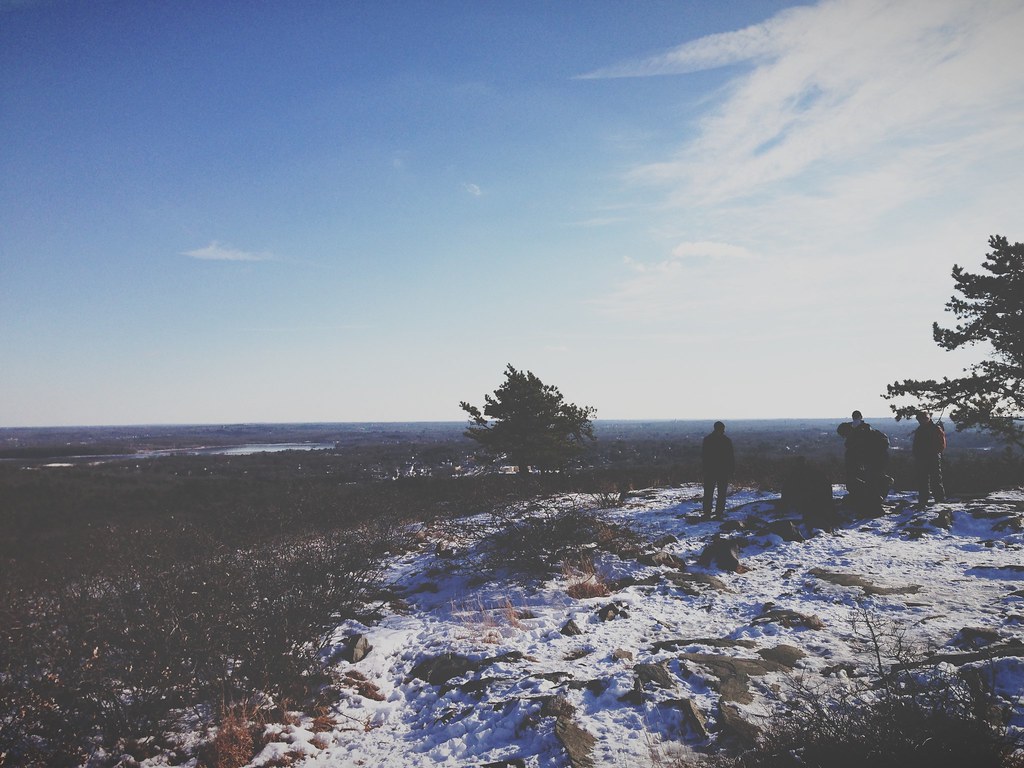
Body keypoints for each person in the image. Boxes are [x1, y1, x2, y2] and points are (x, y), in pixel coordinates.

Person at [836, 410, 891, 515]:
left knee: (870, 481)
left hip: (872, 460)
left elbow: (860, 452)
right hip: (873, 460)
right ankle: (871, 500)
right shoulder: (863, 431)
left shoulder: (859, 434)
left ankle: (873, 504)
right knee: (867, 481)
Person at [780, 456, 837, 533]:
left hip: (809, 499)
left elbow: (787, 488)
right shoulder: (814, 472)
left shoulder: (796, 473)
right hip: (815, 499)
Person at [912, 411, 946, 507]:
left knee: (936, 479)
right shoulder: (920, 429)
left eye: (922, 419)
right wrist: (917, 454)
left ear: (928, 418)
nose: (921, 421)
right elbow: (916, 444)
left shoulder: (936, 429)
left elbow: (941, 445)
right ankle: (923, 499)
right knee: (923, 479)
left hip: (933, 457)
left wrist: (932, 452)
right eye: (920, 420)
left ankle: (939, 499)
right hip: (922, 458)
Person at [702, 421, 735, 517]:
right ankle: (717, 512)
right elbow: (730, 457)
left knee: (710, 492)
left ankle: (709, 511)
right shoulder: (726, 441)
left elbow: (704, 456)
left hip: (712, 470)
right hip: (721, 470)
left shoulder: (708, 439)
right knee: (719, 492)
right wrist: (731, 469)